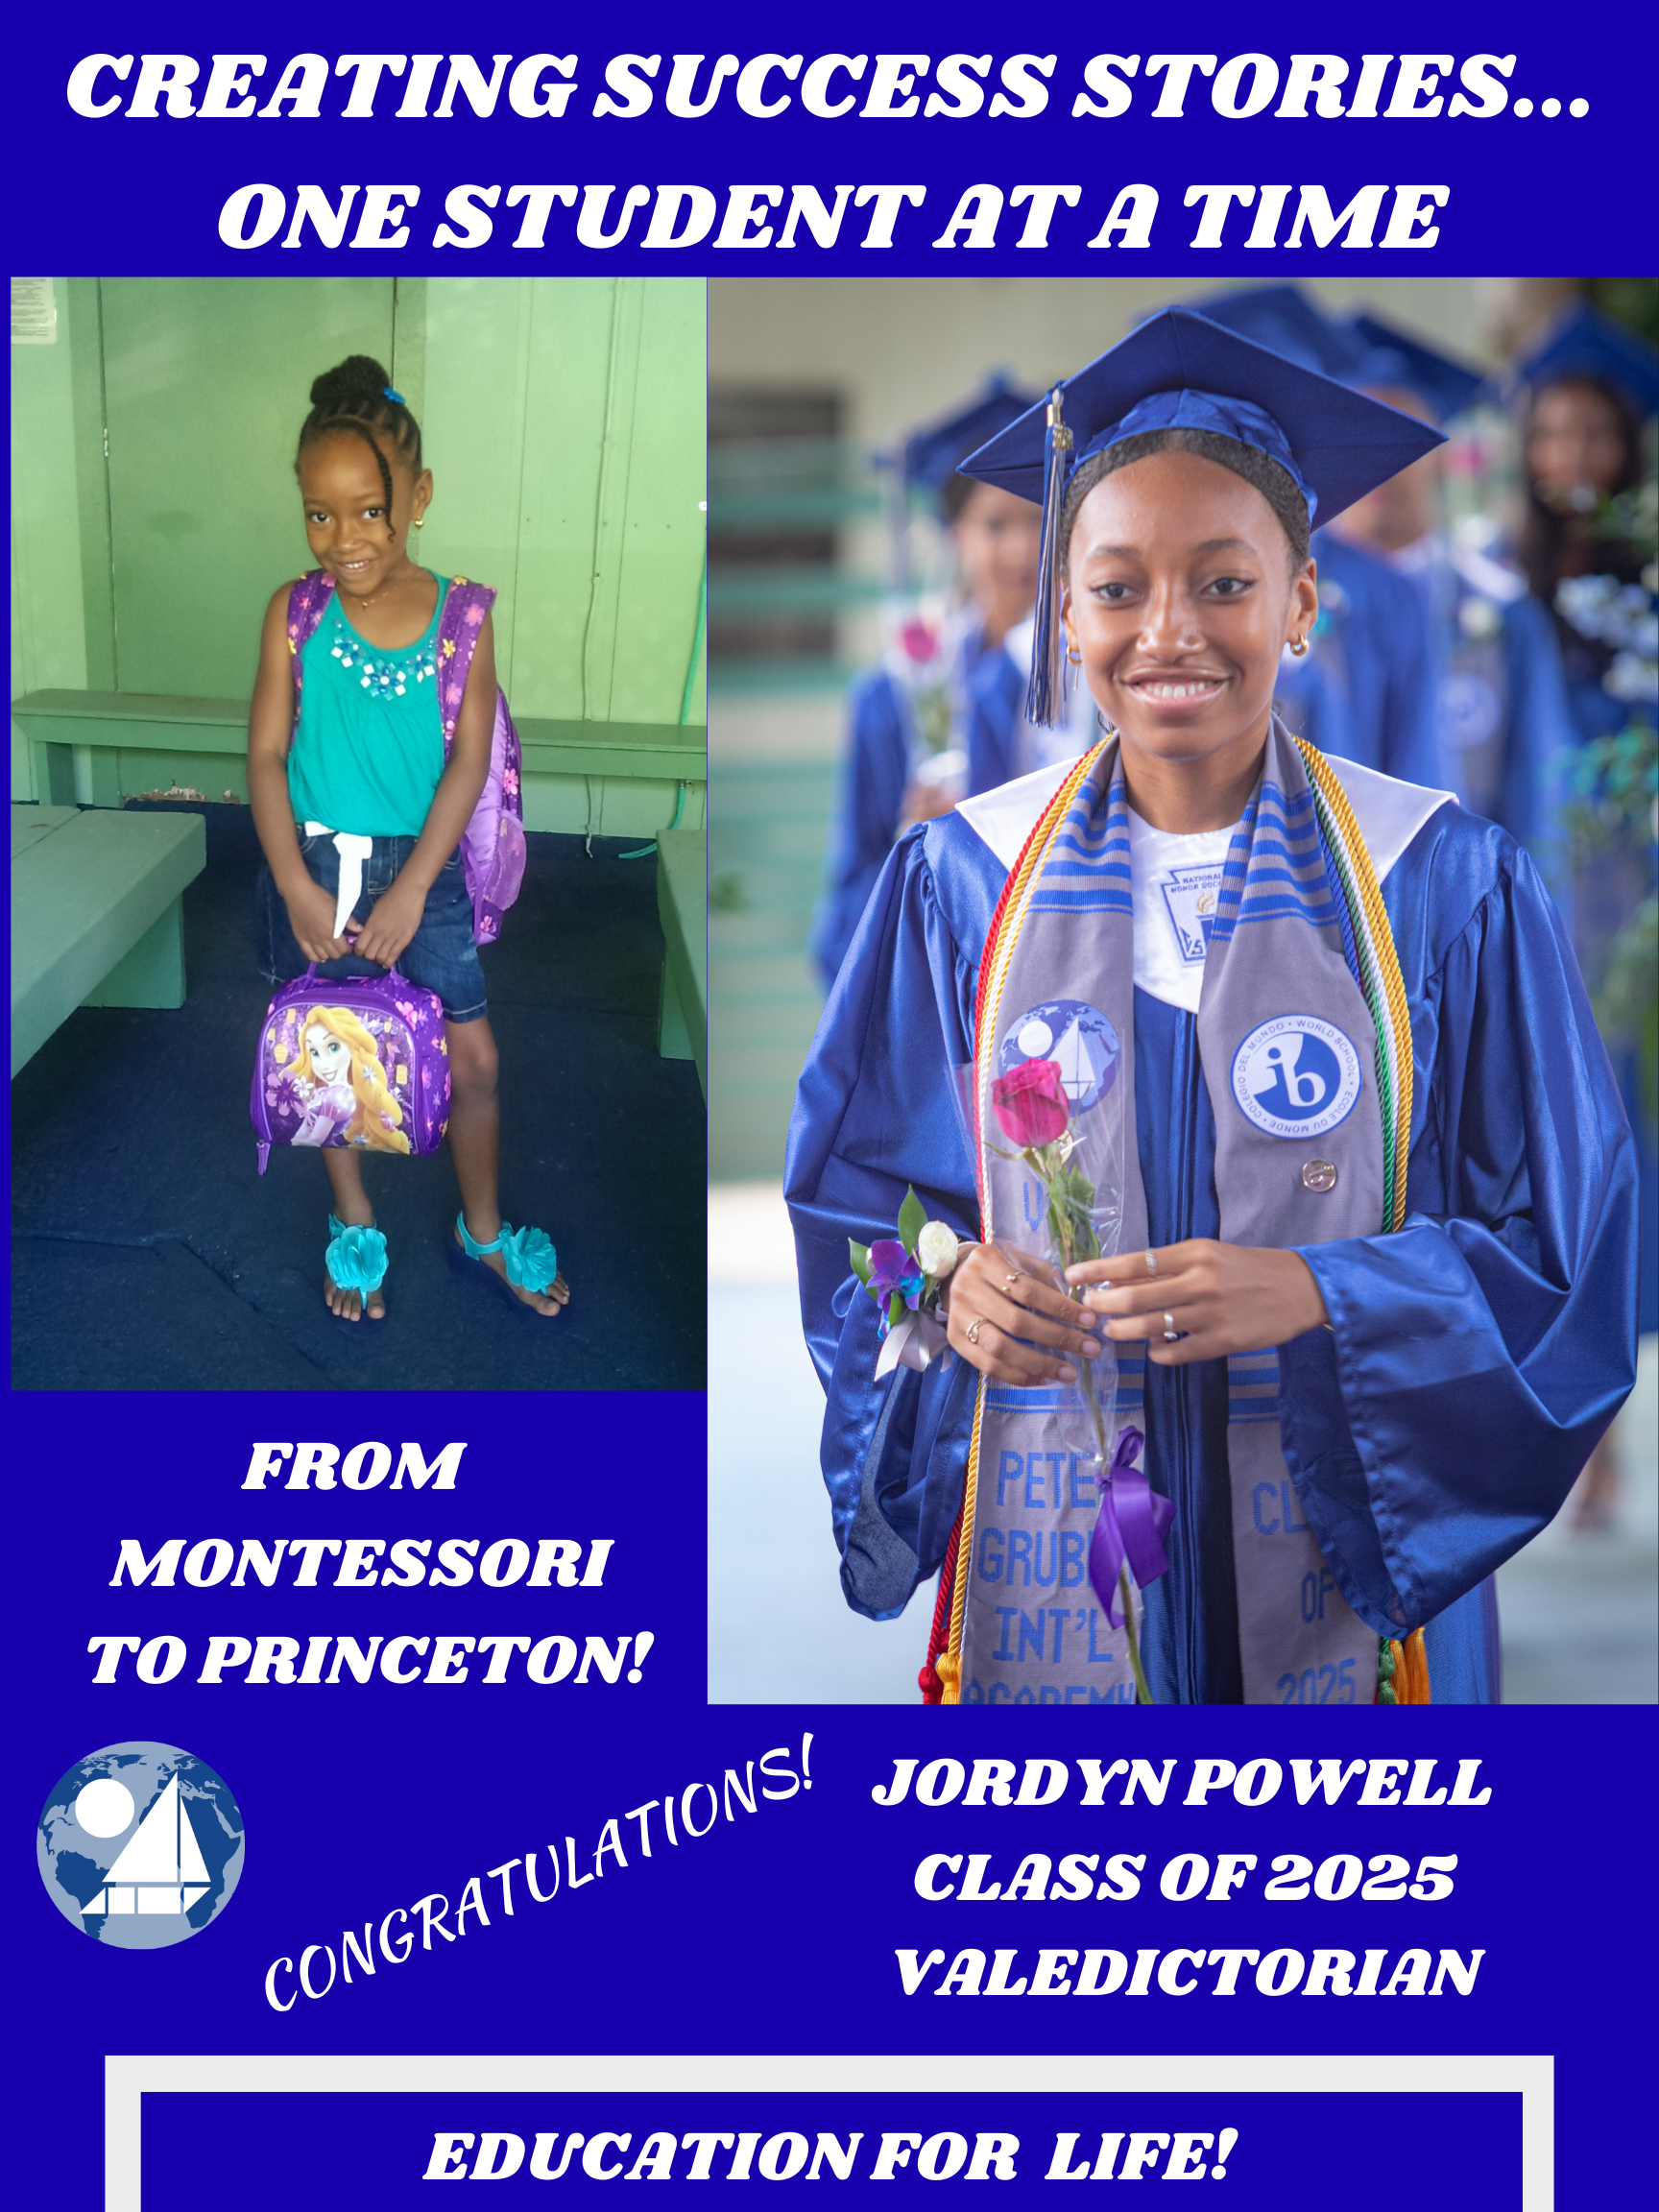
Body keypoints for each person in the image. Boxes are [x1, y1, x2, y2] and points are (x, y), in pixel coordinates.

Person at [786, 308, 1637, 1706]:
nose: (1167, 630)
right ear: (1064, 612)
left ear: (1304, 603)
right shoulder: (960, 884)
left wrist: (1326, 1289)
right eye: (1116, 588)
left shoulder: (1443, 887)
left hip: (1352, 1595)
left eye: (1225, 582)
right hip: (1053, 1555)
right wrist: (952, 1292)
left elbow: (1570, 1258)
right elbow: (863, 1207)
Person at [247, 355, 571, 1324]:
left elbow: (467, 765)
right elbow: (265, 757)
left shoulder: (462, 618)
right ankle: (354, 1222)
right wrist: (300, 893)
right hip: (313, 869)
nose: (342, 539)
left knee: (474, 1063)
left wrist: (410, 890)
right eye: (318, 512)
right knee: (327, 1057)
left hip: (418, 877)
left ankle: (482, 1230)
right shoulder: (294, 613)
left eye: (368, 511)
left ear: (416, 497)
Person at [1510, 303, 1657, 1348]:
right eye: (1552, 432)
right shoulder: (1501, 588)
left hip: (1636, 879)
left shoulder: (1647, 572)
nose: (1573, 454)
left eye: (1593, 432)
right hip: (1544, 879)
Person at [810, 379, 1040, 986]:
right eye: (995, 525)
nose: (1023, 548)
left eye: (1040, 521)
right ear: (954, 534)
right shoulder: (895, 697)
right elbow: (852, 886)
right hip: (946, 988)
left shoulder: (1101, 686)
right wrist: (913, 849)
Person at [1329, 310, 1576, 865]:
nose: (1377, 460)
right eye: (1355, 432)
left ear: (1438, 447)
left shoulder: (1498, 615)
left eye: (1398, 432)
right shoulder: (1278, 604)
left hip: (1459, 918)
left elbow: (1539, 797)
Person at [1187, 288, 1445, 790]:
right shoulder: (1156, 590)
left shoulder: (1386, 594)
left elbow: (1420, 777)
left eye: (1274, 425)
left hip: (1353, 862)